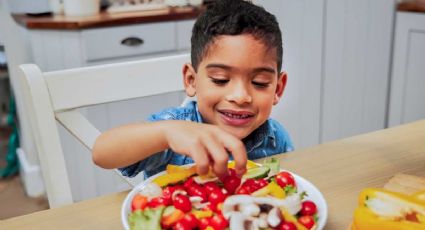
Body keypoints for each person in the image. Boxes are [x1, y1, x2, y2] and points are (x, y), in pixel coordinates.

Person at [92, 0, 293, 179]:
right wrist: (166, 134)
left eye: (259, 82)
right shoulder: (174, 131)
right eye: (220, 80)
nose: (240, 97)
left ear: (278, 88)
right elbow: (102, 153)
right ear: (191, 80)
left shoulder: (276, 138)